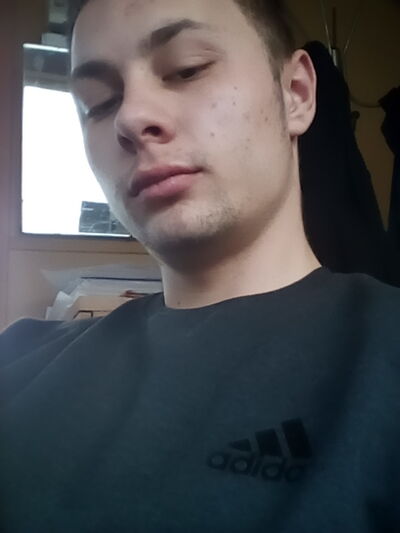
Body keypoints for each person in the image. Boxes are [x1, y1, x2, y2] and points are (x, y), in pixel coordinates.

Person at [0, 0, 399, 531]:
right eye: (99, 103)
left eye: (187, 69)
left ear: (296, 94)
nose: (130, 118)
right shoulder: (18, 357)